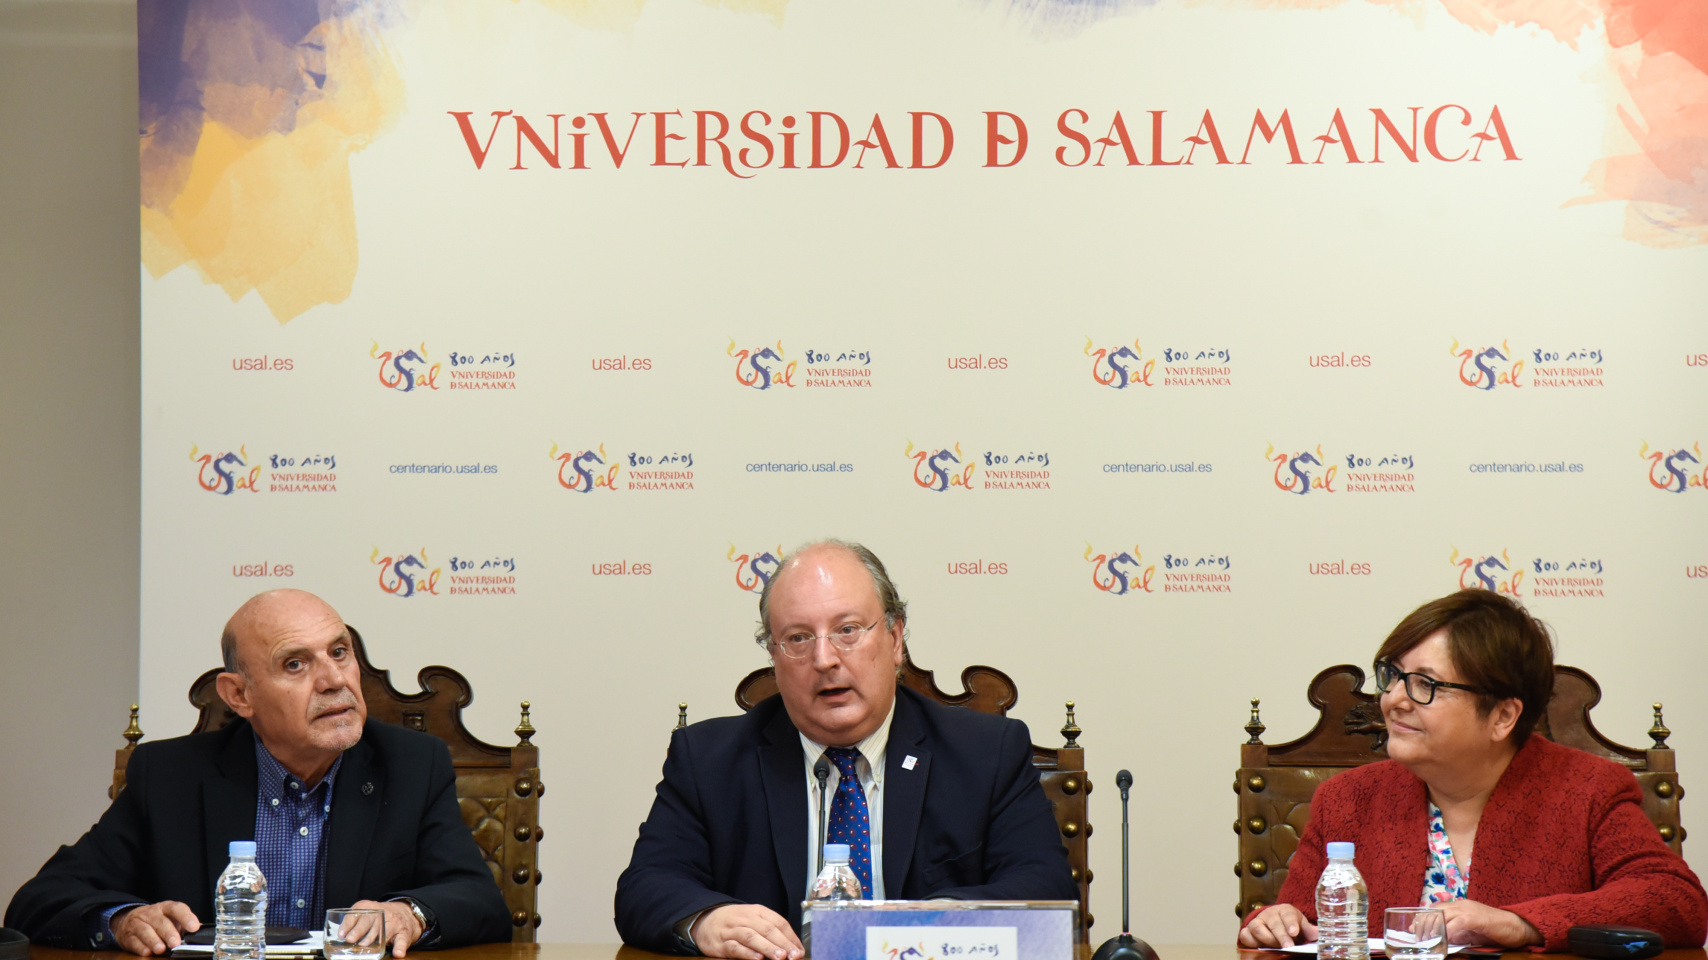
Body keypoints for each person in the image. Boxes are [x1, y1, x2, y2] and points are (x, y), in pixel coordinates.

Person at [615, 540, 1077, 959]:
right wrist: (706, 920)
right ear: (774, 657)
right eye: (798, 638)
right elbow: (644, 887)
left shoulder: (986, 751)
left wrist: (931, 926)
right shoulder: (708, 759)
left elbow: (1047, 887)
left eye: (848, 630)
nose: (824, 659)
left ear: (894, 639)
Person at [5, 589, 511, 956]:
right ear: (239, 695)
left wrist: (408, 914)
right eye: (295, 664)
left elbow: (480, 902)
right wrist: (123, 921)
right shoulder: (170, 776)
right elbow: (39, 902)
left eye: (339, 653)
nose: (333, 680)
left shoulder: (412, 764)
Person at [1238, 589, 1707, 951]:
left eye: (1425, 684)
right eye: (1393, 676)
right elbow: (1298, 920)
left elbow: (1677, 903)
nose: (1394, 699)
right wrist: (1273, 923)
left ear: (1503, 716)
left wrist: (1520, 923)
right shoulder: (1347, 799)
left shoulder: (1587, 789)